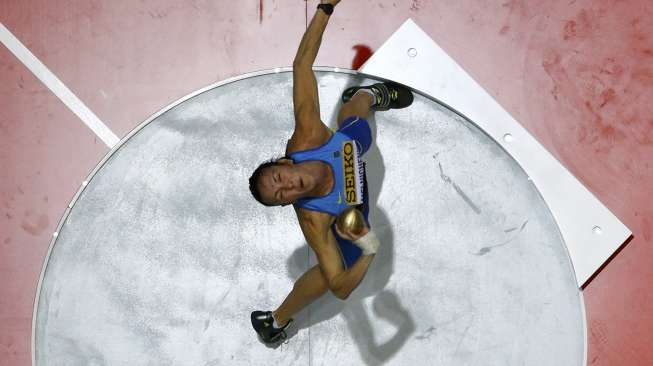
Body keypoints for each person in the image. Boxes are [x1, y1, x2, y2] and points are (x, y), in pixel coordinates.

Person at [248, 0, 413, 345]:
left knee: (357, 121)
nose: (287, 188)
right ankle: (275, 320)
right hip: (355, 217)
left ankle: (367, 93)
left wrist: (325, 6)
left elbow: (301, 64)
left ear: (286, 162)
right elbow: (340, 289)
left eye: (279, 179)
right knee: (327, 273)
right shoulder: (314, 221)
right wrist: (369, 247)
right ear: (288, 205)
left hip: (347, 149)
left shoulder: (308, 135)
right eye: (282, 196)